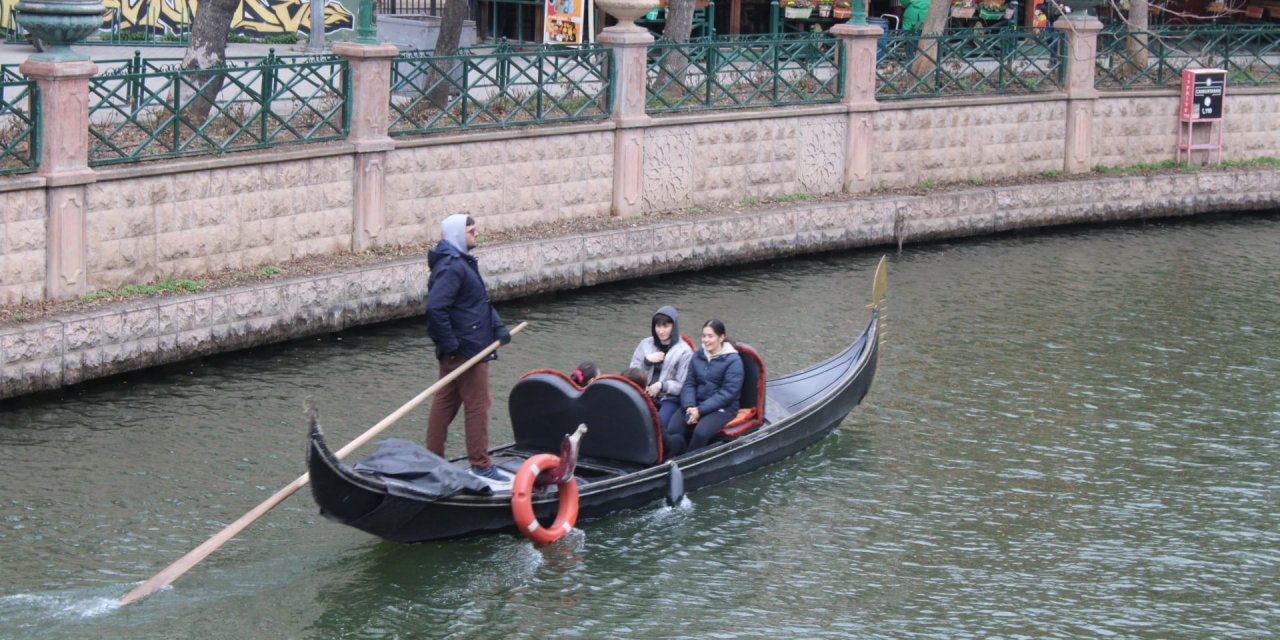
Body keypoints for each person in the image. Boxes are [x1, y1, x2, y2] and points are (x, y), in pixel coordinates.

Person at [425, 213, 512, 481]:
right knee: (478, 405)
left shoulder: (461, 263)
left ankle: (433, 460)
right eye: (472, 230)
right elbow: (436, 308)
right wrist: (451, 345)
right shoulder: (453, 266)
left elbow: (477, 303)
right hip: (469, 350)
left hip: (466, 346)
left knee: (445, 403)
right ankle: (480, 463)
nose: (477, 234)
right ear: (456, 234)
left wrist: (497, 325)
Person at [663, 319, 743, 457]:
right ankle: (671, 458)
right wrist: (689, 406)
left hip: (723, 408)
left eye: (710, 336)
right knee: (673, 428)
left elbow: (727, 393)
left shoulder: (734, 361)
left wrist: (700, 411)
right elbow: (689, 383)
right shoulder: (698, 355)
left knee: (701, 432)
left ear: (721, 338)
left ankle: (688, 462)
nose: (706, 340)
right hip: (695, 404)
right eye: (704, 336)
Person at [629, 305, 694, 430]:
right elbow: (632, 371)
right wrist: (646, 362)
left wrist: (662, 385)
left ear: (673, 327)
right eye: (658, 326)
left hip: (669, 398)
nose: (661, 331)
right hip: (644, 392)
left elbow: (683, 384)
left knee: (657, 425)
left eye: (666, 326)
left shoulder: (685, 351)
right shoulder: (645, 344)